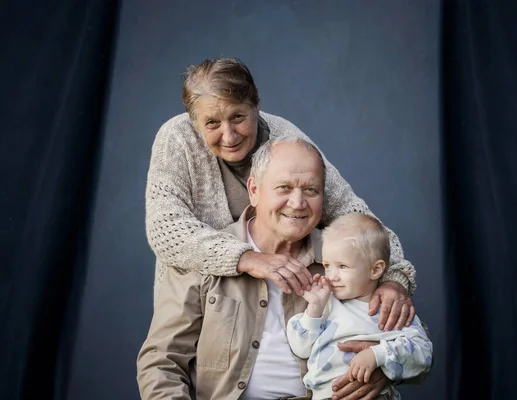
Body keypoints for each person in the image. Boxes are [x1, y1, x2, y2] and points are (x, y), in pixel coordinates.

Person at [145, 57, 418, 335]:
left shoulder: (285, 138)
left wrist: (394, 278)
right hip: (199, 310)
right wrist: (249, 257)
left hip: (287, 311)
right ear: (194, 122)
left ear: (257, 107)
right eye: (212, 123)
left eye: (238, 117)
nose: (229, 135)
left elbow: (355, 217)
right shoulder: (176, 139)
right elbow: (165, 229)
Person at [138, 137, 427, 399]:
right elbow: (162, 362)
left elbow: (414, 345)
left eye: (310, 190)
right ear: (254, 190)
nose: (298, 203)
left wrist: (385, 366)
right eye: (284, 188)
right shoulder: (204, 255)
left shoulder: (340, 262)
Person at [287, 213, 433, 400]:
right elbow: (301, 348)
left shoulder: (390, 310)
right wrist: (314, 309)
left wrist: (377, 355)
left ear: (375, 270)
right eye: (327, 265)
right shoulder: (325, 304)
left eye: (342, 266)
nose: (332, 276)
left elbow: (423, 356)